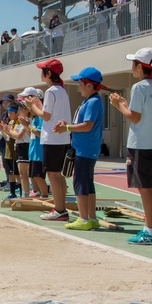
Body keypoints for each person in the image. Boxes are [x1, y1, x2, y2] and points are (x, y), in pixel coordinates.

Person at [109, 48, 152, 245]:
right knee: (150, 188)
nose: (131, 66)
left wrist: (117, 105)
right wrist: (124, 104)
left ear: (140, 66)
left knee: (145, 189)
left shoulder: (139, 87)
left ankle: (150, 231)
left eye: (133, 63)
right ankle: (150, 228)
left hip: (141, 144)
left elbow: (134, 117)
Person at [54, 66, 107, 231]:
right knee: (88, 184)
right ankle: (91, 218)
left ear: (89, 85)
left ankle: (84, 219)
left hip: (85, 149)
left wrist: (67, 128)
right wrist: (68, 126)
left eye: (81, 83)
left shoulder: (92, 102)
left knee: (80, 184)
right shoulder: (91, 101)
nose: (79, 87)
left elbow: (87, 125)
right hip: (86, 148)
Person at [25, 58, 71, 221]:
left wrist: (33, 107)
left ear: (49, 73)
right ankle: (61, 208)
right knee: (58, 175)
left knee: (53, 174)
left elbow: (46, 116)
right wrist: (38, 105)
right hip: (61, 138)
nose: (40, 73)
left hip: (52, 138)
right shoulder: (62, 91)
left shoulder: (51, 91)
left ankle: (59, 209)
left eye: (43, 70)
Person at [20, 87, 47, 198]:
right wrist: (26, 125)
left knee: (38, 176)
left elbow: (40, 133)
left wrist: (28, 126)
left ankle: (44, 195)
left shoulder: (40, 118)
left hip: (39, 153)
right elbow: (31, 133)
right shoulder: (35, 118)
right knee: (33, 175)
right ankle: (36, 192)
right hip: (33, 152)